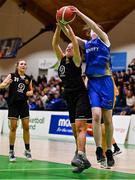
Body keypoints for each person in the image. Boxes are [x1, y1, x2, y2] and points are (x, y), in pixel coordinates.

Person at [64, 6, 115, 168]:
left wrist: (79, 14)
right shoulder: (87, 44)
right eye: (92, 31)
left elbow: (93, 25)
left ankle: (109, 152)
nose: (93, 31)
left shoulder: (105, 39)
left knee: (107, 120)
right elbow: (72, 37)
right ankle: (99, 149)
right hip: (93, 83)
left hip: (106, 82)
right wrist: (62, 23)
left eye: (96, 30)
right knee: (96, 116)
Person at [52, 23, 91, 173]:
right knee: (75, 130)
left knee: (81, 127)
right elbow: (55, 43)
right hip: (69, 96)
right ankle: (83, 159)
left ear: (77, 52)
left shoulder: (76, 61)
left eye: (71, 47)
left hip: (80, 95)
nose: (68, 48)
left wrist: (69, 29)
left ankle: (80, 154)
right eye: (66, 47)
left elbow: (74, 41)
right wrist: (58, 27)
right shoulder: (61, 60)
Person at [0, 60, 33, 162]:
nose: (23, 65)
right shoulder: (11, 75)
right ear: (17, 66)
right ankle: (11, 152)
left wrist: (30, 93)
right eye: (21, 64)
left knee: (26, 127)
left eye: (25, 64)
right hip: (13, 104)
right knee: (13, 128)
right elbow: (1, 86)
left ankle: (27, 150)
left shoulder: (28, 78)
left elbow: (31, 90)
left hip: (23, 105)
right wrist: (6, 84)